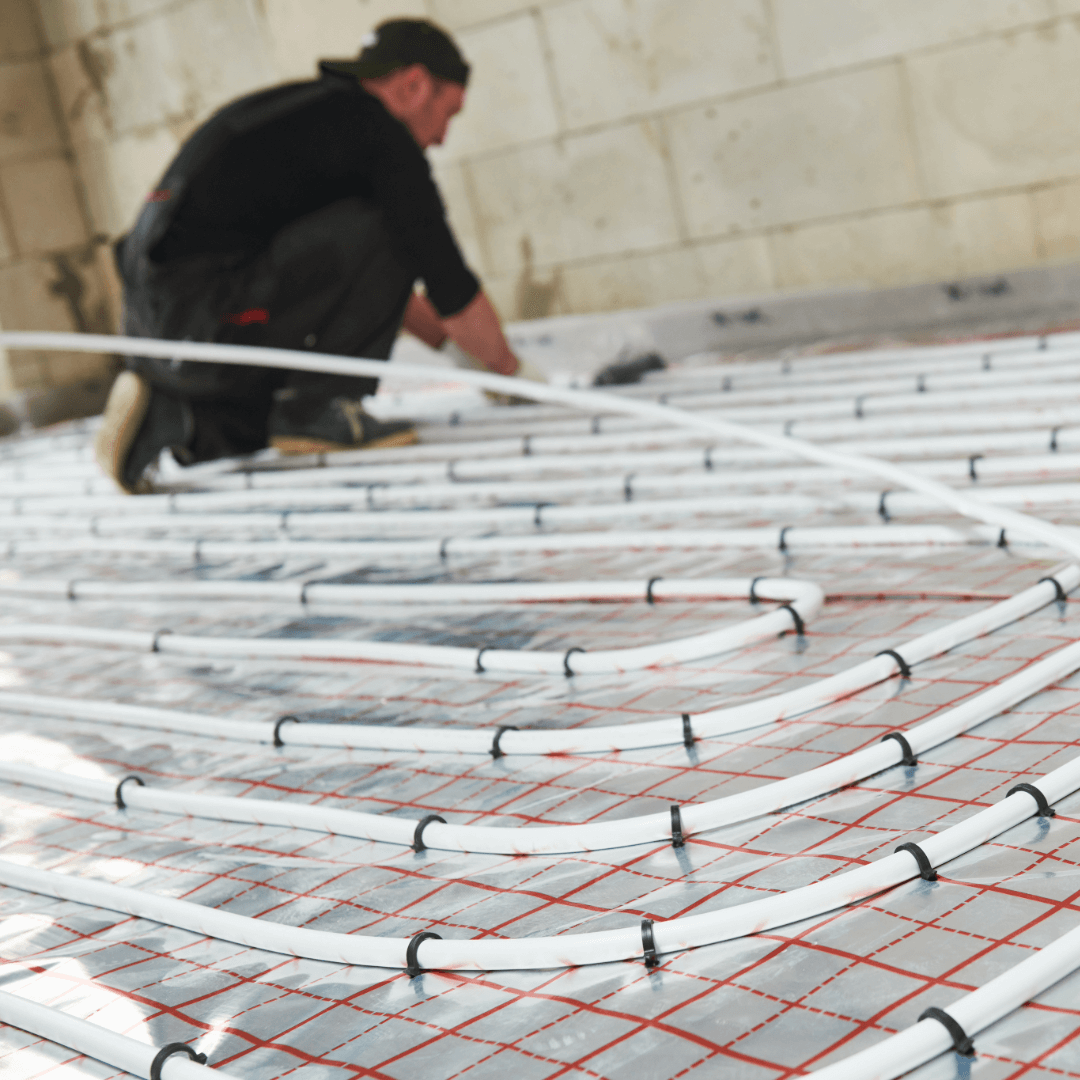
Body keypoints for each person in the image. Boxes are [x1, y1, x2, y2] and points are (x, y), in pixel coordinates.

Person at [97, 17, 541, 494]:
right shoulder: (380, 138)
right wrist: (516, 376)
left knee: (264, 422)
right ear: (414, 85)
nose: (443, 138)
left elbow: (371, 291)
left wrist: (465, 355)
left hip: (161, 324)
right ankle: (318, 406)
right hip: (205, 312)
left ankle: (178, 418)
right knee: (393, 226)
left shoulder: (316, 118)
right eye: (449, 114)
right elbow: (446, 281)